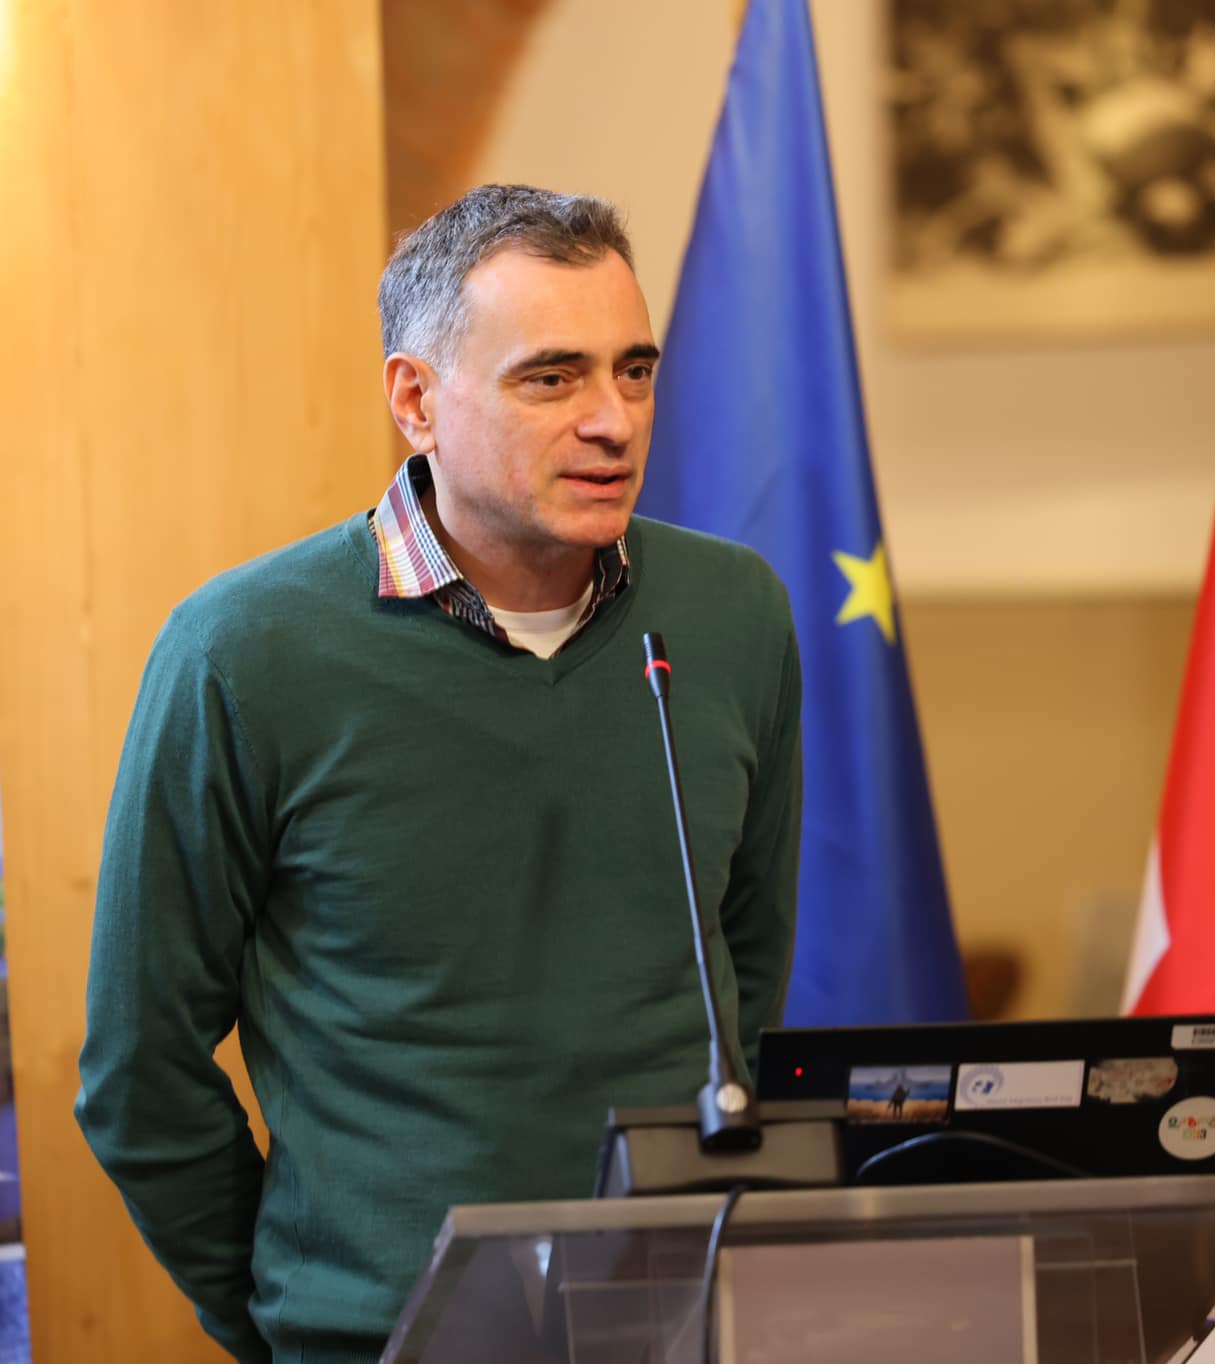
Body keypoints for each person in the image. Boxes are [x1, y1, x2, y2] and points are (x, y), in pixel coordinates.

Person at [75, 184, 803, 1364]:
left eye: (633, 371)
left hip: (682, 1320)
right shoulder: (243, 650)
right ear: (415, 399)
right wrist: (292, 1316)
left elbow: (748, 974)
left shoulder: (734, 614)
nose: (612, 420)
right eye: (551, 378)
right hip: (380, 1336)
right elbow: (137, 1070)